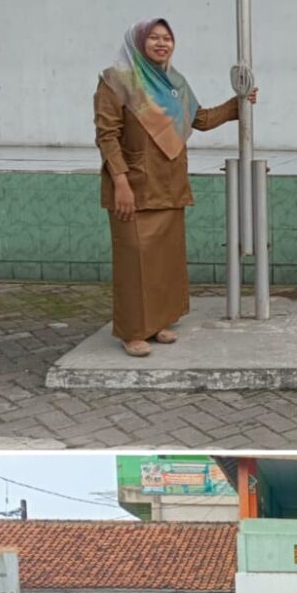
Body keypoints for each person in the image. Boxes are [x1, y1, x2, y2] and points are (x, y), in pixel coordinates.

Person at [94, 19, 248, 358]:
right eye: (154, 37)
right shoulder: (116, 80)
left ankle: (156, 323)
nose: (162, 43)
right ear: (138, 42)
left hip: (169, 183)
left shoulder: (174, 83)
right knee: (135, 262)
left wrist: (237, 105)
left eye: (167, 38)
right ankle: (132, 331)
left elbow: (199, 119)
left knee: (164, 261)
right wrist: (120, 182)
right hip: (133, 186)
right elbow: (107, 135)